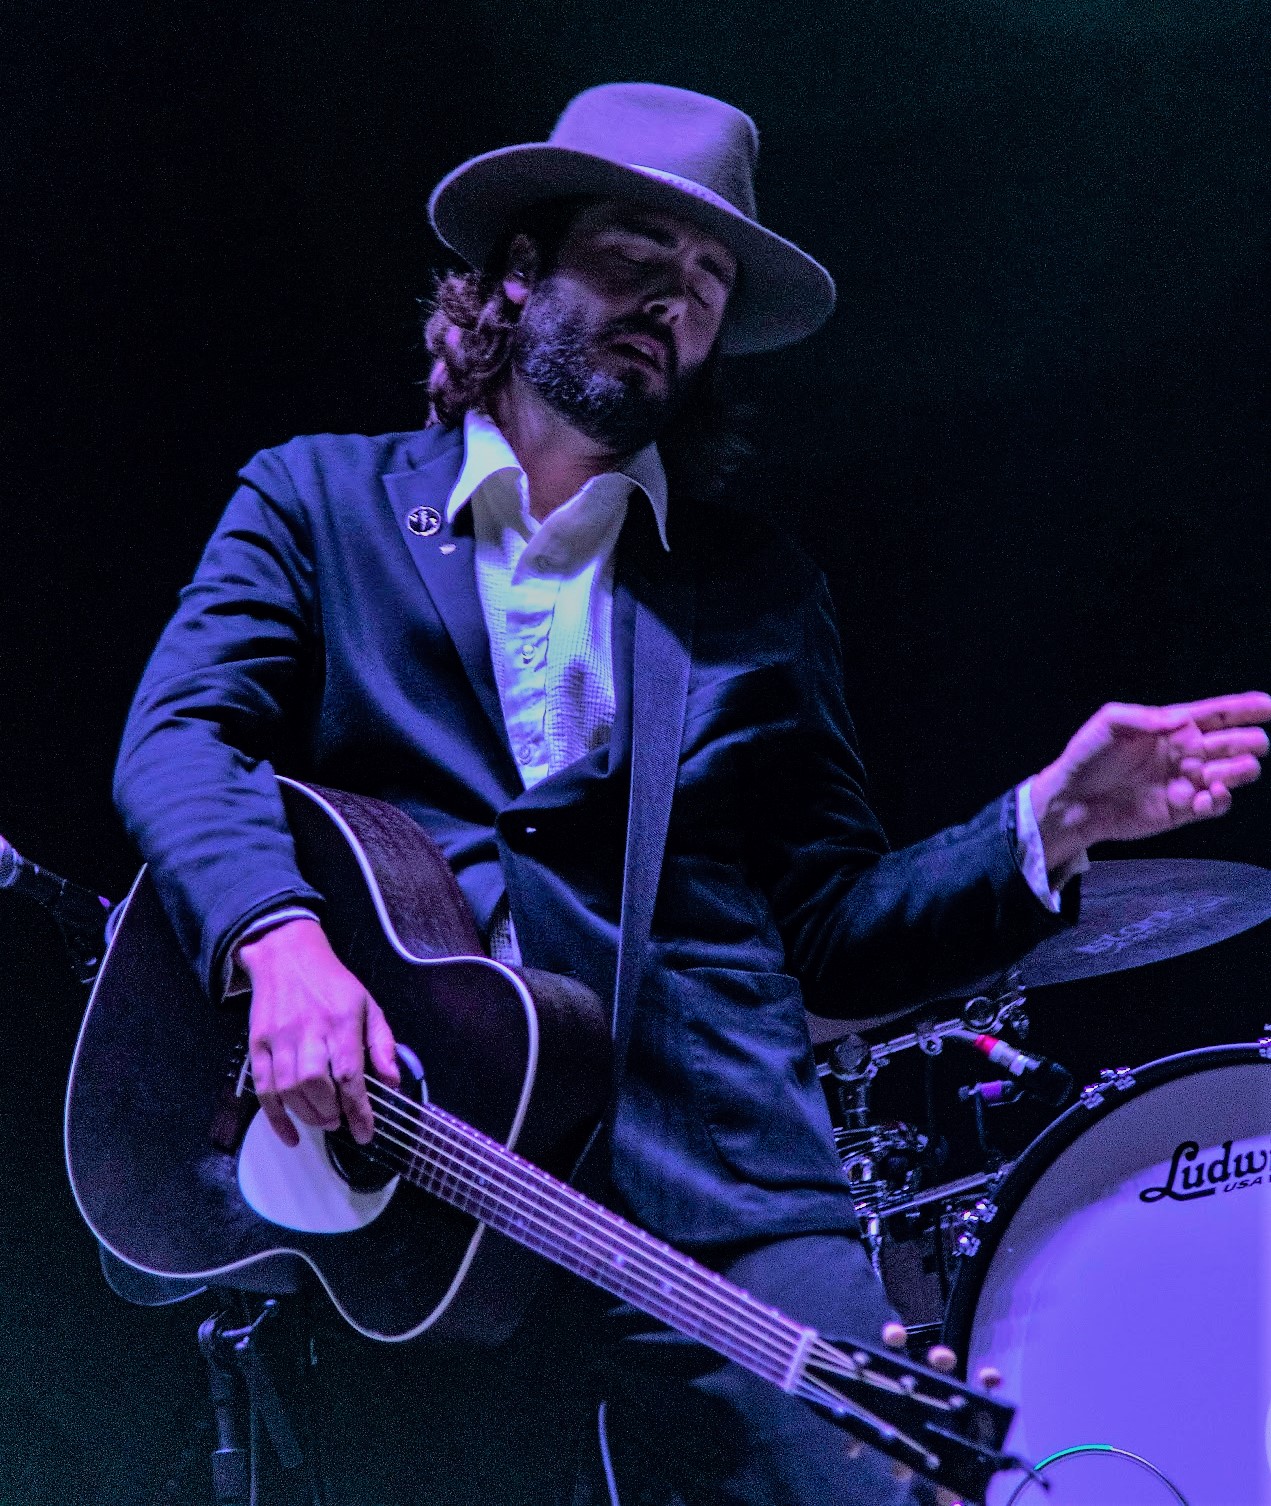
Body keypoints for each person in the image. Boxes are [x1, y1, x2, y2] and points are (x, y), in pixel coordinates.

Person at [112, 83, 1269, 1505]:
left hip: (724, 1201)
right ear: (520, 271)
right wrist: (277, 938)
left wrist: (1048, 822)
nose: (676, 299)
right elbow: (178, 735)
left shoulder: (757, 594)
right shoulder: (318, 504)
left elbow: (834, 929)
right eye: (636, 255)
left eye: (710, 281)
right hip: (416, 1195)